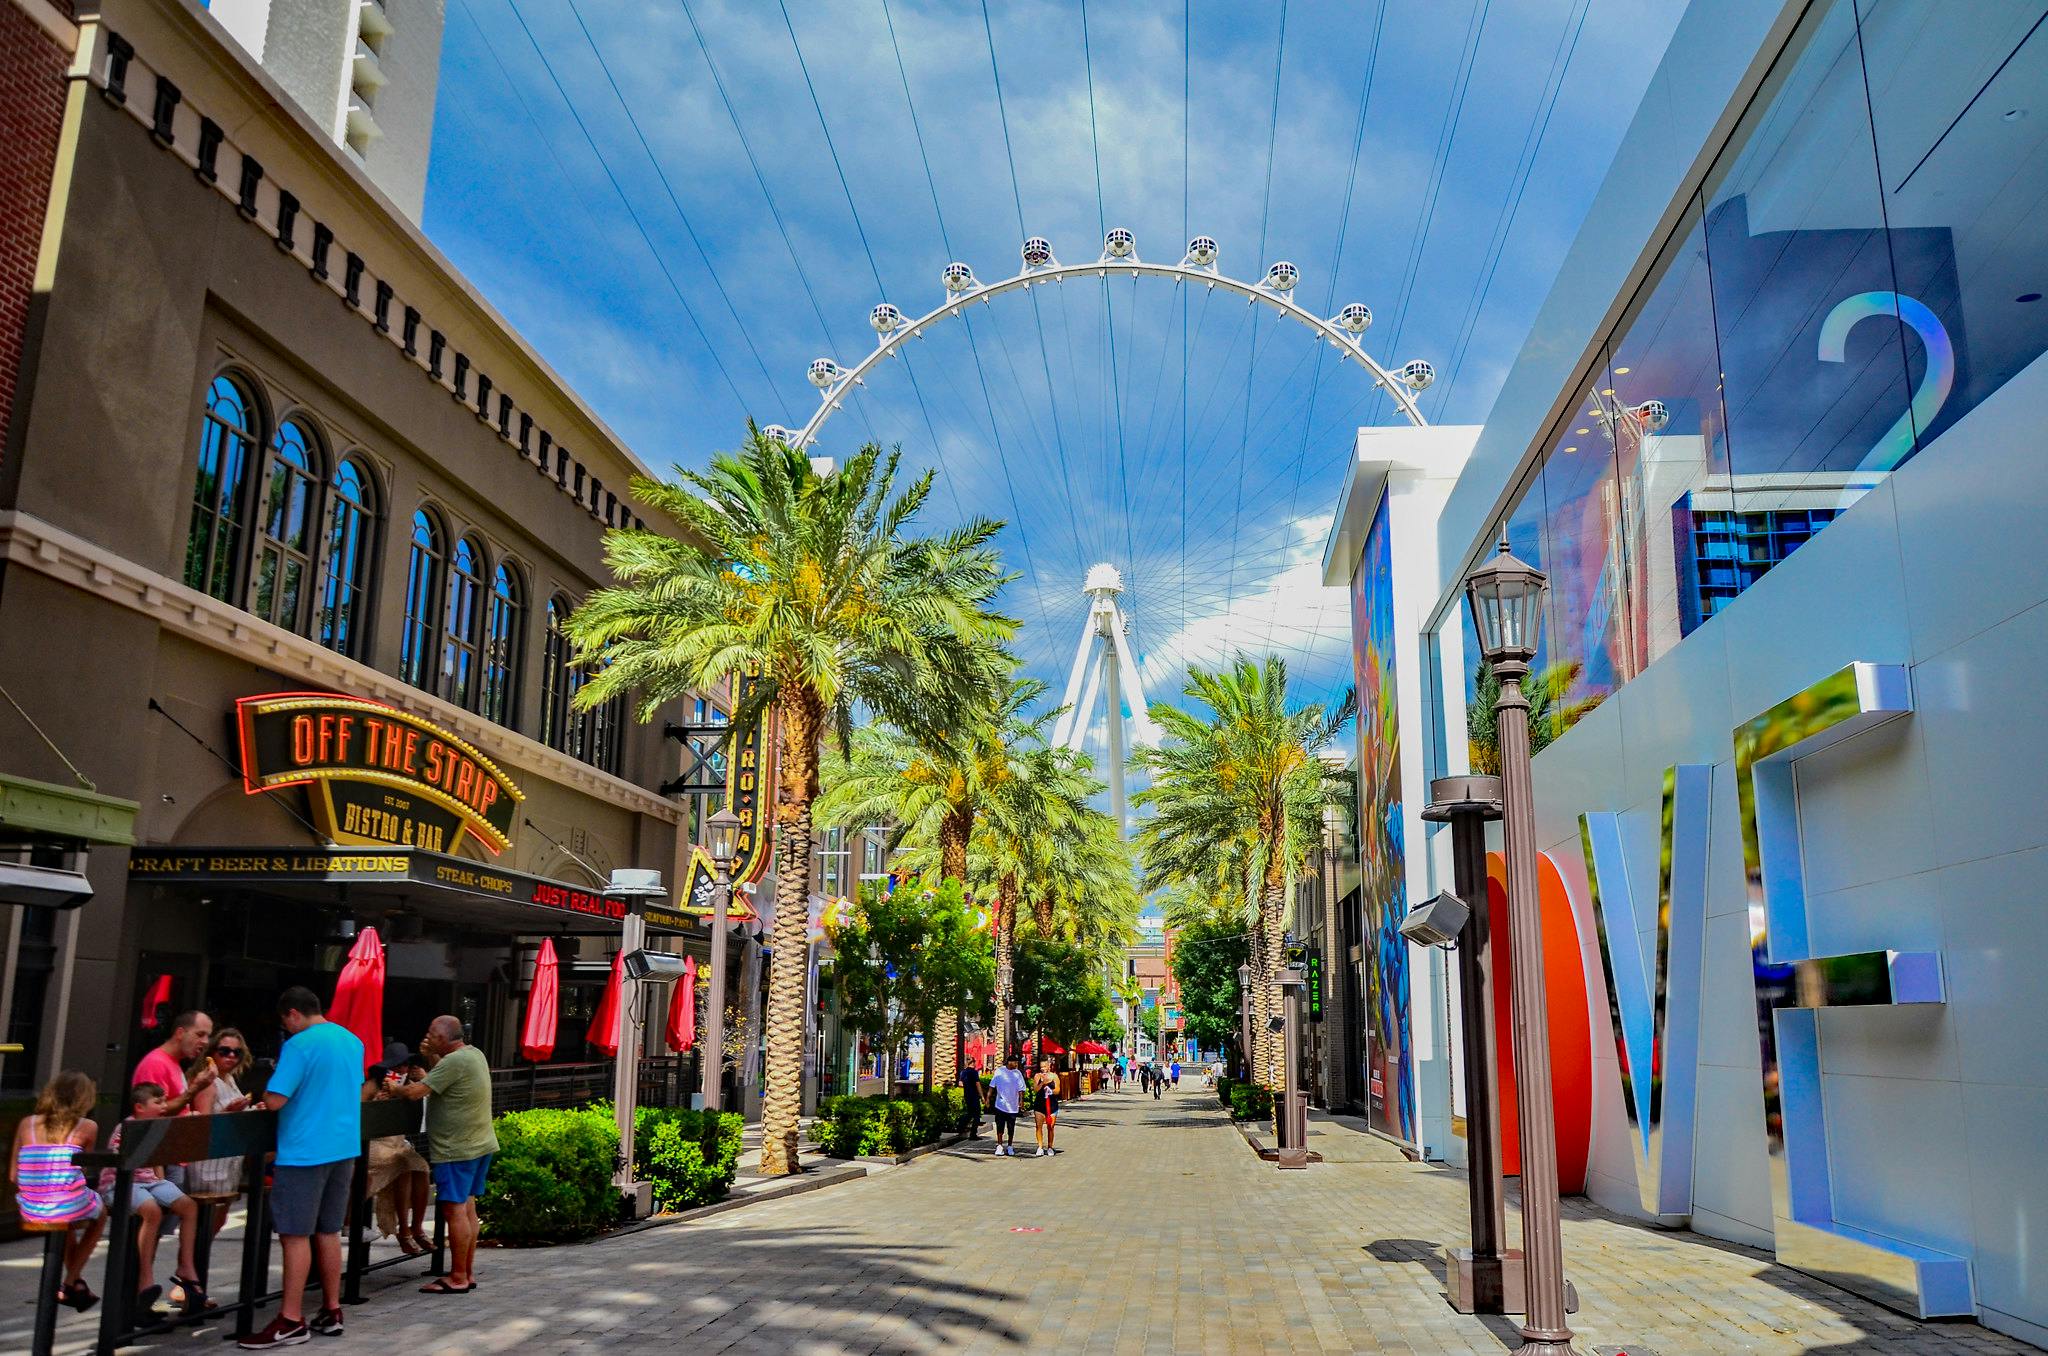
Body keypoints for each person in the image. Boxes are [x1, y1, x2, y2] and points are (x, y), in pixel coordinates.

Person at [241, 986, 363, 1348]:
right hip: (344, 1148)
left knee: (294, 1235)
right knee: (328, 1232)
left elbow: (276, 1100)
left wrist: (264, 1095)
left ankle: (291, 1319)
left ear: (293, 1014)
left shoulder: (298, 1045)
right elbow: (353, 1089)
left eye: (286, 1022)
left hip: (305, 1150)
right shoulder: (352, 1041)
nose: (287, 1029)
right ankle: (331, 1309)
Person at [396, 1015, 496, 1294]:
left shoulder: (454, 1061)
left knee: (454, 1211)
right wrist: (430, 1059)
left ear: (443, 1039)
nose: (426, 1038)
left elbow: (416, 1092)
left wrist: (394, 1088)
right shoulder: (473, 1054)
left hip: (457, 1149)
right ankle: (467, 1272)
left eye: (431, 1034)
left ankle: (458, 1276)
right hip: (479, 1144)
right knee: (468, 1208)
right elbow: (444, 1079)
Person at [99, 1082, 205, 1314]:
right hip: (120, 1182)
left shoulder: (154, 1126)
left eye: (164, 1101)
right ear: (139, 1107)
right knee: (152, 1211)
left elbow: (156, 1158)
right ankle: (145, 1278)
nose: (163, 1106)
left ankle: (186, 1266)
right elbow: (123, 1164)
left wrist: (161, 1181)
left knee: (188, 1207)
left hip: (148, 1181)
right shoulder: (127, 1127)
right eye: (157, 1102)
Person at [12, 1070, 107, 1312]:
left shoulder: (27, 1123)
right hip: (65, 1204)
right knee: (99, 1213)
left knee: (68, 1213)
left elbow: (14, 1175)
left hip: (30, 1206)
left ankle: (76, 1284)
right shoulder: (88, 1126)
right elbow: (81, 1169)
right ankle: (70, 1280)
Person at [361, 1061, 431, 1254]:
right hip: (374, 1144)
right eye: (398, 1066)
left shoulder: (409, 1085)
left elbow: (430, 1101)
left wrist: (423, 1080)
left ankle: (416, 1226)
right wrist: (377, 1104)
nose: (402, 1070)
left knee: (422, 1167)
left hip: (397, 1143)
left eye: (406, 1066)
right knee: (404, 1165)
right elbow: (358, 1111)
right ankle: (405, 1230)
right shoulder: (373, 1084)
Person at [184, 1028, 255, 1210]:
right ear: (212, 1052)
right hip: (209, 1161)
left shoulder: (229, 1079)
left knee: (221, 1213)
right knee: (209, 1213)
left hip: (228, 1159)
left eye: (236, 1052)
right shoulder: (208, 1081)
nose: (230, 1056)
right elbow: (203, 1123)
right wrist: (230, 1112)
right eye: (224, 1051)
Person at [132, 1010, 218, 1118]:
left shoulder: (173, 1062)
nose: (206, 1041)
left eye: (208, 1036)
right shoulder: (156, 1063)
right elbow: (152, 1114)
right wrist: (196, 1087)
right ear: (180, 1033)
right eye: (200, 1034)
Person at [988, 1056, 1026, 1157]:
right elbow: (992, 1086)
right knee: (1000, 1126)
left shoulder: (1018, 1073)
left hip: (1012, 1106)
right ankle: (999, 1146)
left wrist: (1021, 1101)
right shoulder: (999, 1071)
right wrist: (988, 1098)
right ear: (1009, 1062)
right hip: (1000, 1105)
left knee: (1011, 1127)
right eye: (1015, 1062)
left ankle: (1010, 1146)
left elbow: (1021, 1089)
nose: (1016, 1064)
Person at [1030, 1056, 1061, 1157]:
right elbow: (1035, 1089)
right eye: (1041, 1067)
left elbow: (1058, 1090)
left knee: (1050, 1127)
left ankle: (1050, 1147)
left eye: (1045, 1066)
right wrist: (1043, 1082)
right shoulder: (1037, 1076)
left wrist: (1051, 1090)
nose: (1043, 1069)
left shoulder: (1054, 1076)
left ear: (1049, 1066)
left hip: (1052, 1105)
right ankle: (1040, 1147)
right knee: (1038, 1126)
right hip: (1039, 1105)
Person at [957, 1061, 984, 1139]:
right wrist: (982, 1096)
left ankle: (961, 1126)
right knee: (976, 1115)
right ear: (973, 1063)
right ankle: (973, 1134)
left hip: (967, 1095)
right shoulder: (974, 1072)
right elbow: (977, 1084)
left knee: (970, 1113)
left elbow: (960, 1083)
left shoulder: (963, 1072)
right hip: (974, 1096)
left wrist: (966, 1086)